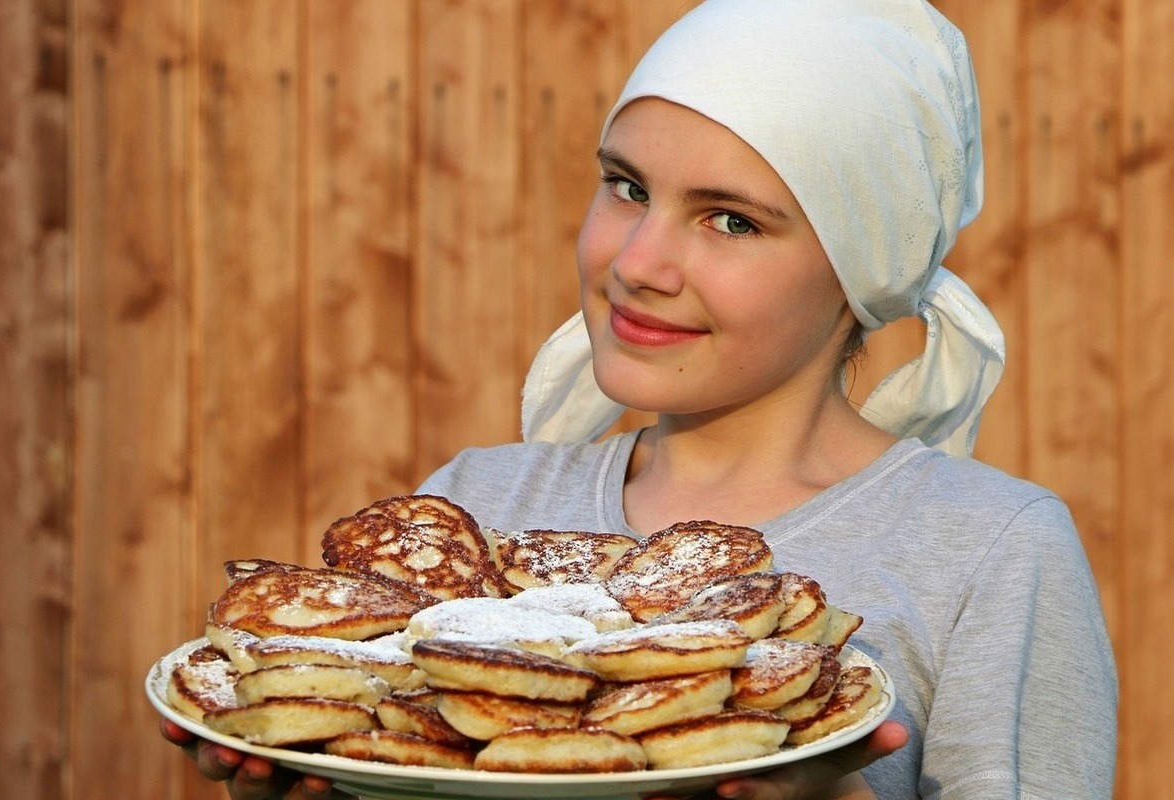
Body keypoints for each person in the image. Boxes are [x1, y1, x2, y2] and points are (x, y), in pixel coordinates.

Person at [163, 0, 1118, 797]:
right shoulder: (480, 506)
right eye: (626, 187)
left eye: (731, 219)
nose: (637, 262)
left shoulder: (991, 549)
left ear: (859, 267)